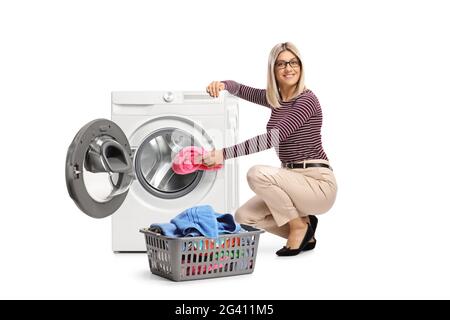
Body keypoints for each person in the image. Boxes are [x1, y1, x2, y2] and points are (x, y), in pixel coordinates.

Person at [202, 42, 337, 256]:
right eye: (281, 64)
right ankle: (305, 230)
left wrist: (223, 154)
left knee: (256, 174)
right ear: (273, 69)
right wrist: (223, 84)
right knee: (244, 217)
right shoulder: (276, 99)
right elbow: (242, 89)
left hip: (317, 183)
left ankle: (297, 225)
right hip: (290, 179)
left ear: (301, 67)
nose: (288, 68)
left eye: (293, 62)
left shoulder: (306, 100)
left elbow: (273, 138)